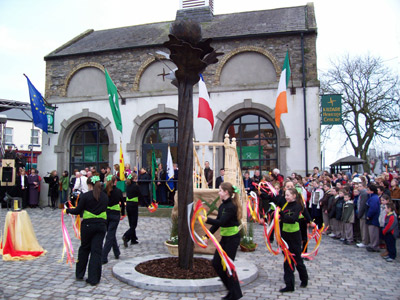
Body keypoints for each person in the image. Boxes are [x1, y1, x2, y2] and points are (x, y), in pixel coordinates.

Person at [65, 176, 108, 286]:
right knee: (96, 251)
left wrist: (67, 210)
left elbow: (78, 210)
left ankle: (80, 273)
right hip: (101, 225)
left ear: (89, 185)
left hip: (88, 226)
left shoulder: (86, 196)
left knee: (84, 249)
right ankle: (94, 278)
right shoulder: (104, 196)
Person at [204, 182, 242, 300]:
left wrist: (205, 219)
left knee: (228, 266)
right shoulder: (223, 205)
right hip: (225, 238)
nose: (218, 192)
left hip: (233, 238)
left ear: (226, 192)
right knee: (216, 263)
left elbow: (222, 222)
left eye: (220, 190)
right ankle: (232, 290)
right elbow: (217, 223)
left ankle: (235, 293)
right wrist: (206, 236)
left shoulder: (231, 206)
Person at [278, 188, 308, 293]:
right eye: (285, 195)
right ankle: (289, 284)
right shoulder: (285, 205)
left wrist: (282, 215)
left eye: (288, 195)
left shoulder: (298, 206)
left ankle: (304, 279)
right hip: (285, 236)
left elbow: (293, 219)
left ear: (294, 196)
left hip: (295, 237)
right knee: (287, 260)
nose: (286, 197)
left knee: (297, 260)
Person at [102, 175, 125, 264]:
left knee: (111, 233)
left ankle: (116, 252)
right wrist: (123, 213)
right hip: (115, 214)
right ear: (115, 181)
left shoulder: (104, 191)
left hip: (106, 213)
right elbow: (122, 203)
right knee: (110, 235)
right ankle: (104, 256)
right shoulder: (118, 191)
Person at [122, 173, 141, 246]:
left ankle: (133, 239)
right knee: (134, 224)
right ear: (134, 178)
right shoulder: (136, 186)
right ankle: (126, 236)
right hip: (134, 205)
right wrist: (147, 204)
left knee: (131, 222)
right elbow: (140, 196)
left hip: (128, 205)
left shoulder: (128, 186)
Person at [366, 184, 381, 252]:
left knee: (373, 232)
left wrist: (369, 215)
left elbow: (373, 208)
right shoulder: (372, 197)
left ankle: (374, 246)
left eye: (368, 190)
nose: (367, 191)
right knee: (371, 232)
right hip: (372, 218)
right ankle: (372, 244)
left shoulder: (374, 198)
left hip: (373, 218)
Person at [356, 182, 370, 248]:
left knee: (364, 228)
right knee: (362, 228)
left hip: (363, 214)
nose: (359, 187)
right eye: (358, 186)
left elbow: (362, 205)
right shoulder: (361, 193)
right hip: (361, 213)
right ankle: (363, 240)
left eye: (360, 186)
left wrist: (360, 214)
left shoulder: (364, 193)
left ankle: (365, 241)